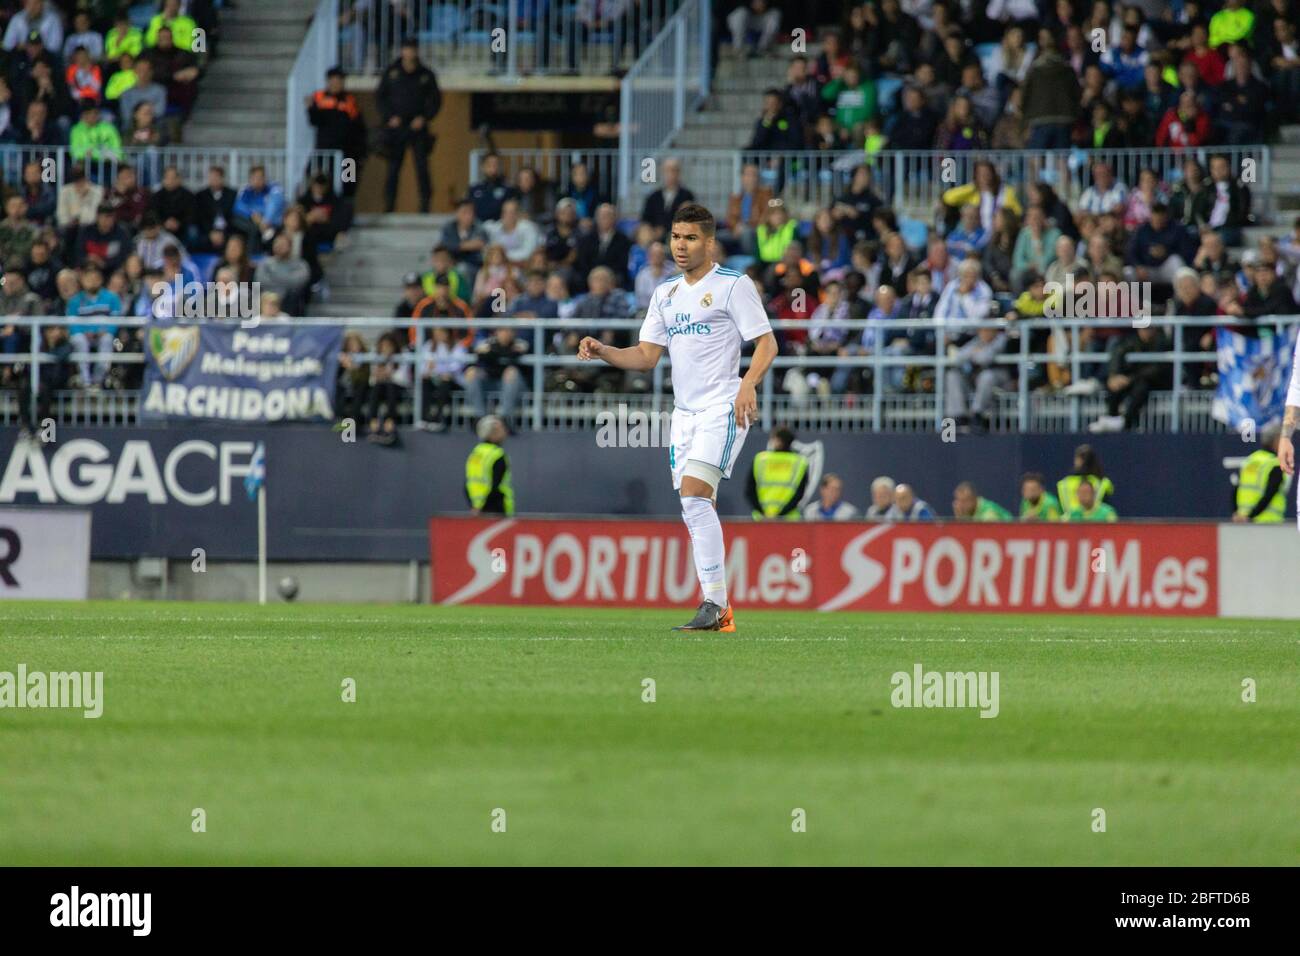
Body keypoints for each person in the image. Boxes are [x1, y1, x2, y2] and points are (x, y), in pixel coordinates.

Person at [577, 202, 778, 632]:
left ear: (709, 242)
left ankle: (716, 606)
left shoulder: (732, 285)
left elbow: (766, 344)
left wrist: (748, 383)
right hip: (684, 416)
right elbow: (646, 356)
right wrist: (605, 351)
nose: (680, 246)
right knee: (695, 505)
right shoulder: (665, 293)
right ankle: (718, 610)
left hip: (723, 406)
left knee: (693, 497)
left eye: (690, 238)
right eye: (675, 237)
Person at [376, 37, 441, 213]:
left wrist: (424, 118)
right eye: (406, 48)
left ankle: (425, 204)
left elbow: (435, 101)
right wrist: (389, 117)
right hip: (397, 128)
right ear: (402, 51)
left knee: (422, 167)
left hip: (418, 127)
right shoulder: (391, 73)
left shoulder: (426, 74)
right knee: (393, 168)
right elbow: (381, 98)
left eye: (412, 49)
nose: (409, 52)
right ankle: (389, 205)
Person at [746, 426, 809, 521]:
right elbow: (799, 495)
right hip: (789, 520)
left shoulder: (761, 460)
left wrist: (764, 514)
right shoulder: (800, 462)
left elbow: (750, 491)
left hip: (761, 520)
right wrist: (780, 515)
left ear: (778, 441)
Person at [1233, 425, 1289, 523]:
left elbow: (1235, 490)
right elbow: (1269, 494)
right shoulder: (1275, 464)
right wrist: (1251, 515)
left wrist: (1238, 514)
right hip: (1269, 523)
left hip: (1243, 522)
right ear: (1276, 440)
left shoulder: (1249, 461)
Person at [466, 415, 514, 516]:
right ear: (492, 433)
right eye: (501, 428)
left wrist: (476, 507)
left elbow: (468, 484)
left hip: (476, 508)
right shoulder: (497, 455)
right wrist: (483, 507)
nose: (504, 432)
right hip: (497, 508)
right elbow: (495, 485)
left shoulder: (475, 453)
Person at [1057, 443, 1114, 513]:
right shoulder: (1103, 482)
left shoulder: (1064, 483)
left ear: (1080, 461)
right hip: (1094, 522)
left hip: (1070, 522)